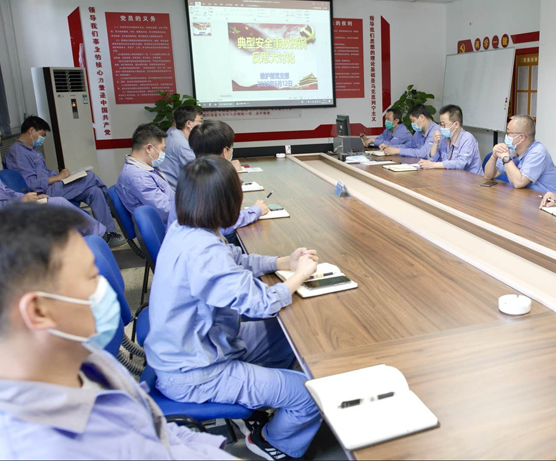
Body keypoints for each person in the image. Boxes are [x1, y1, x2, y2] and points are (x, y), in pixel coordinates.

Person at [0, 204, 233, 459]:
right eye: (92, 277)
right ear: (38, 311)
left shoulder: (89, 361)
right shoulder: (45, 450)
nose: (103, 287)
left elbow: (159, 431)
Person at [144, 156, 321, 460]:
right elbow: (262, 303)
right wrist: (300, 275)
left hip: (196, 347)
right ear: (228, 201)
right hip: (196, 372)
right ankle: (271, 441)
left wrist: (283, 262)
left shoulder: (186, 229)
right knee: (311, 394)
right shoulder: (203, 251)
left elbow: (235, 261)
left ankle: (267, 397)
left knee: (285, 334)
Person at [3, 116, 125, 246]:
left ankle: (110, 233)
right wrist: (58, 178)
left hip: (52, 186)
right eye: (42, 135)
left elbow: (44, 172)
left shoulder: (33, 150)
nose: (42, 139)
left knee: (94, 191)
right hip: (43, 192)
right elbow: (31, 184)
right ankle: (111, 207)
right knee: (89, 176)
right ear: (31, 130)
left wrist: (62, 175)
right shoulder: (17, 153)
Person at [166, 120, 269, 233]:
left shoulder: (190, 172)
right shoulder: (212, 178)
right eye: (230, 148)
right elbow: (223, 226)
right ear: (225, 151)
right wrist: (255, 211)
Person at [484, 115, 556, 194]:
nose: (506, 136)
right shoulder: (512, 150)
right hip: (524, 197)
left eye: (509, 133)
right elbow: (488, 176)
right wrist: (494, 156)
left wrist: (505, 158)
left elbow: (519, 183)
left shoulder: (538, 152)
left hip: (546, 200)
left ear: (521, 137)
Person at [115, 124, 176, 224]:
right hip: (168, 225)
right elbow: (166, 211)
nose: (163, 154)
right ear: (149, 148)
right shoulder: (138, 177)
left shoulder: (144, 169)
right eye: (162, 149)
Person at [418, 104, 483, 175]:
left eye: (444, 124)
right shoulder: (445, 138)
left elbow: (460, 164)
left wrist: (433, 165)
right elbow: (433, 159)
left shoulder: (467, 138)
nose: (441, 127)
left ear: (456, 124)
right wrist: (435, 143)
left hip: (471, 180)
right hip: (451, 177)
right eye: (440, 124)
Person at [161, 105, 204, 190]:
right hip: (176, 191)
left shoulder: (174, 133)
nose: (202, 125)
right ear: (189, 123)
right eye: (200, 121)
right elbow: (199, 172)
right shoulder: (182, 144)